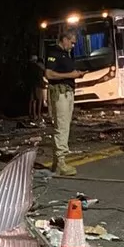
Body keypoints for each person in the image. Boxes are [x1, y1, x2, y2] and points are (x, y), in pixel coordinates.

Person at [45, 31, 86, 176]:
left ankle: (57, 162)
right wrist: (71, 75)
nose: (73, 46)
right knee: (61, 126)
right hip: (60, 92)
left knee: (65, 125)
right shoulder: (54, 53)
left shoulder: (66, 54)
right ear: (64, 39)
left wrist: (76, 74)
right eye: (72, 42)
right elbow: (49, 74)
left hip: (68, 92)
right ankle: (61, 161)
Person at [26, 55, 47, 126]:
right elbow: (40, 77)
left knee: (33, 100)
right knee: (39, 100)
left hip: (32, 85)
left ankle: (32, 114)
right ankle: (38, 114)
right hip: (38, 85)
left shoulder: (28, 68)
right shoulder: (38, 68)